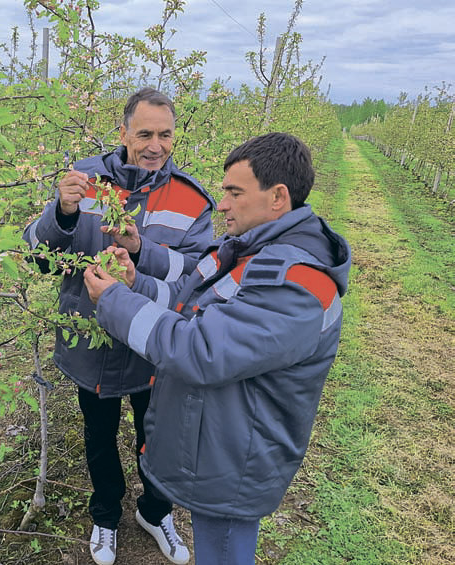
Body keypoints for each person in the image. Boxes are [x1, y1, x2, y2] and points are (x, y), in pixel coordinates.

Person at [83, 132, 351, 564]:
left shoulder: (295, 284)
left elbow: (201, 349)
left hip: (235, 461)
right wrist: (136, 283)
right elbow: (191, 306)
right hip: (220, 443)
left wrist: (115, 301)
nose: (222, 204)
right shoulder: (252, 250)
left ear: (278, 197)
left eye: (234, 193)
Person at [23, 87, 215, 565]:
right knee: (99, 436)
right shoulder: (82, 180)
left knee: (158, 438)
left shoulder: (191, 200)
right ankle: (106, 515)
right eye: (145, 133)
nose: (155, 145)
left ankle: (156, 512)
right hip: (91, 346)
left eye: (165, 135)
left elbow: (197, 277)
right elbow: (39, 258)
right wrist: (62, 212)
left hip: (156, 347)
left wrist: (141, 252)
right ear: (123, 132)